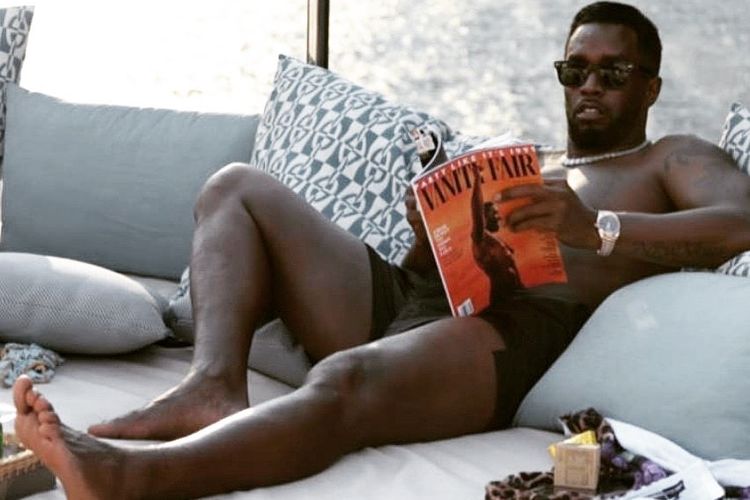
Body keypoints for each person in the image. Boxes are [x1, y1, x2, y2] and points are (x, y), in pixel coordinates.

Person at [13, 2, 750, 498]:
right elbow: (426, 270)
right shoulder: (536, 162)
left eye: (612, 73)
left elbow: (739, 219)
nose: (589, 86)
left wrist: (595, 228)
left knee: (343, 378)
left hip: (508, 333)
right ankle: (212, 384)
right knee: (236, 187)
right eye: (575, 70)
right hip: (422, 301)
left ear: (650, 87)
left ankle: (132, 478)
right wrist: (433, 228)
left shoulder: (670, 158)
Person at [470, 163, 523, 300]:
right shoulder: (480, 240)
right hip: (504, 299)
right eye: (494, 213)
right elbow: (476, 210)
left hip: (520, 293)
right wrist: (477, 179)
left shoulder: (495, 240)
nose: (498, 216)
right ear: (484, 218)